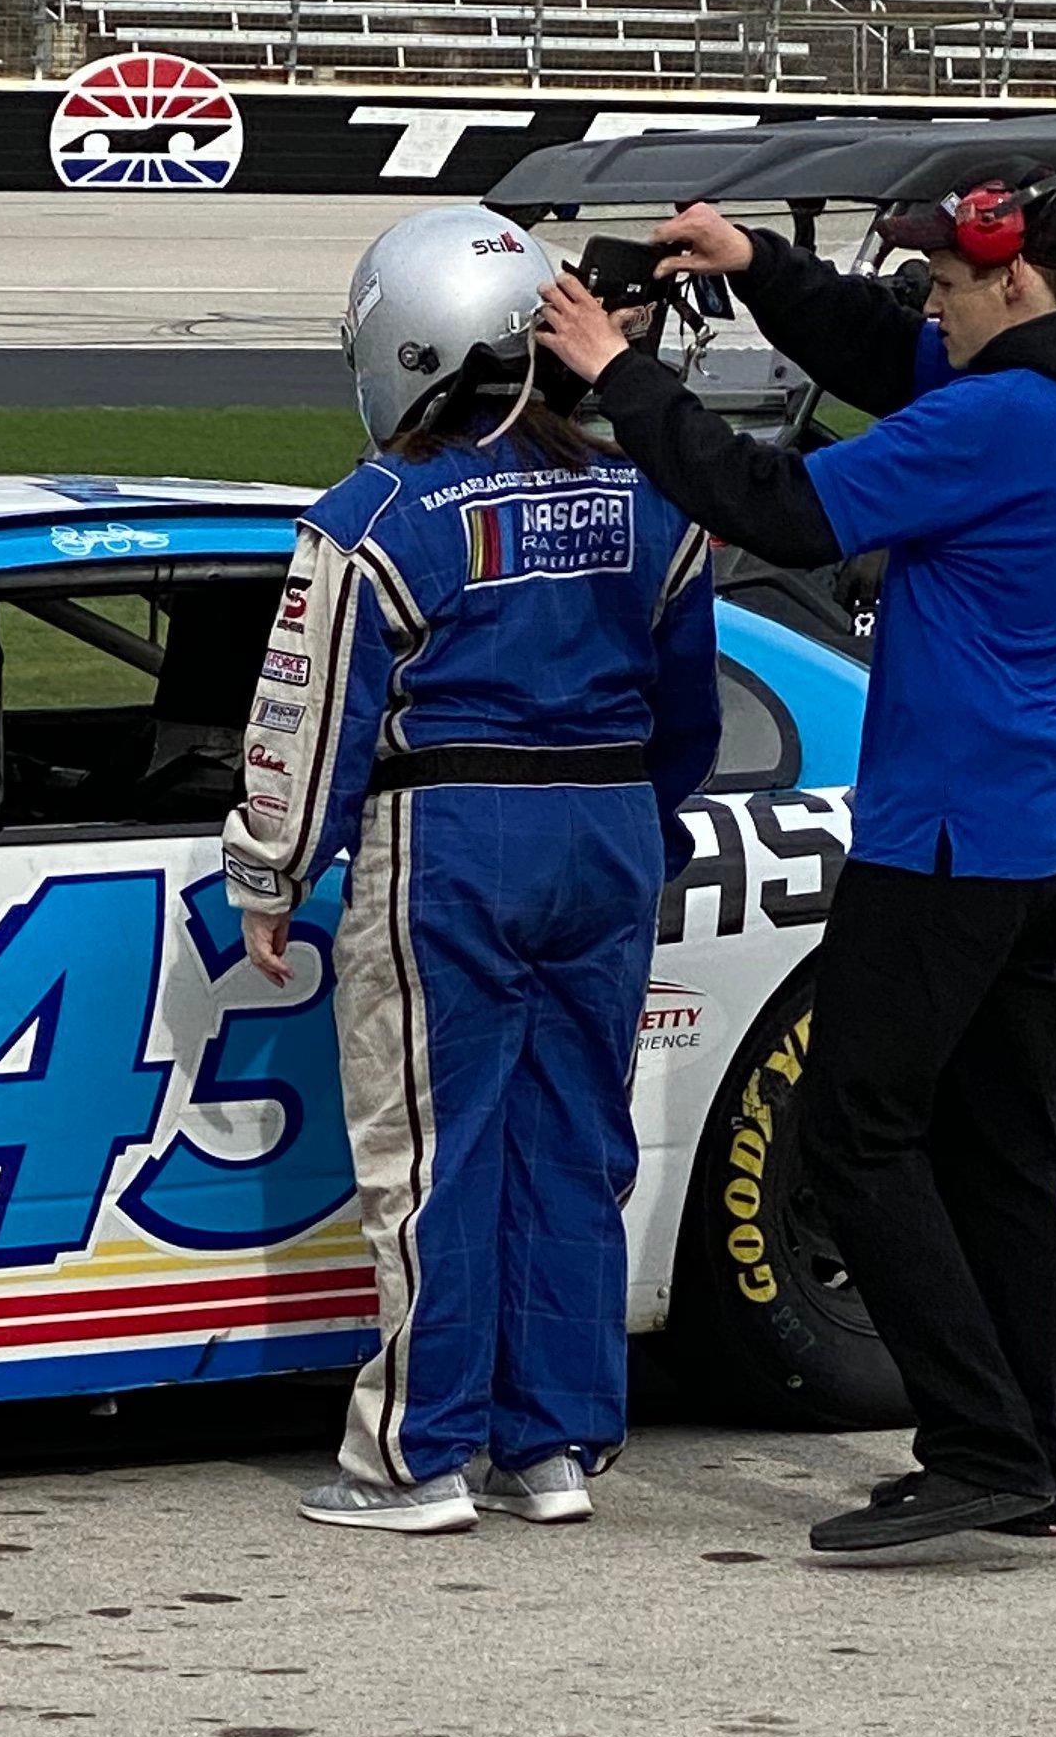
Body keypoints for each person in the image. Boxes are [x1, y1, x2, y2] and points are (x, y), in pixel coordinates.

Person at [535, 168, 1056, 1558]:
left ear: (1011, 281)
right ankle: (1016, 1453)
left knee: (852, 1136)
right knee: (994, 1149)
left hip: (938, 839)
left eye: (943, 284)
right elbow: (888, 355)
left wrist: (621, 373)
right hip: (1021, 830)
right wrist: (751, 261)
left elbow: (778, 505)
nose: (925, 307)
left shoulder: (1002, 418)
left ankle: (981, 1446)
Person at [226, 202, 723, 1536]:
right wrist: (626, 813)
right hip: (611, 830)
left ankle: (418, 1460)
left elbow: (307, 712)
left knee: (432, 1156)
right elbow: (693, 718)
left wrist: (269, 872)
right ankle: (553, 1448)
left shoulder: (375, 512)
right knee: (575, 1146)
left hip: (450, 839)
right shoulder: (652, 496)